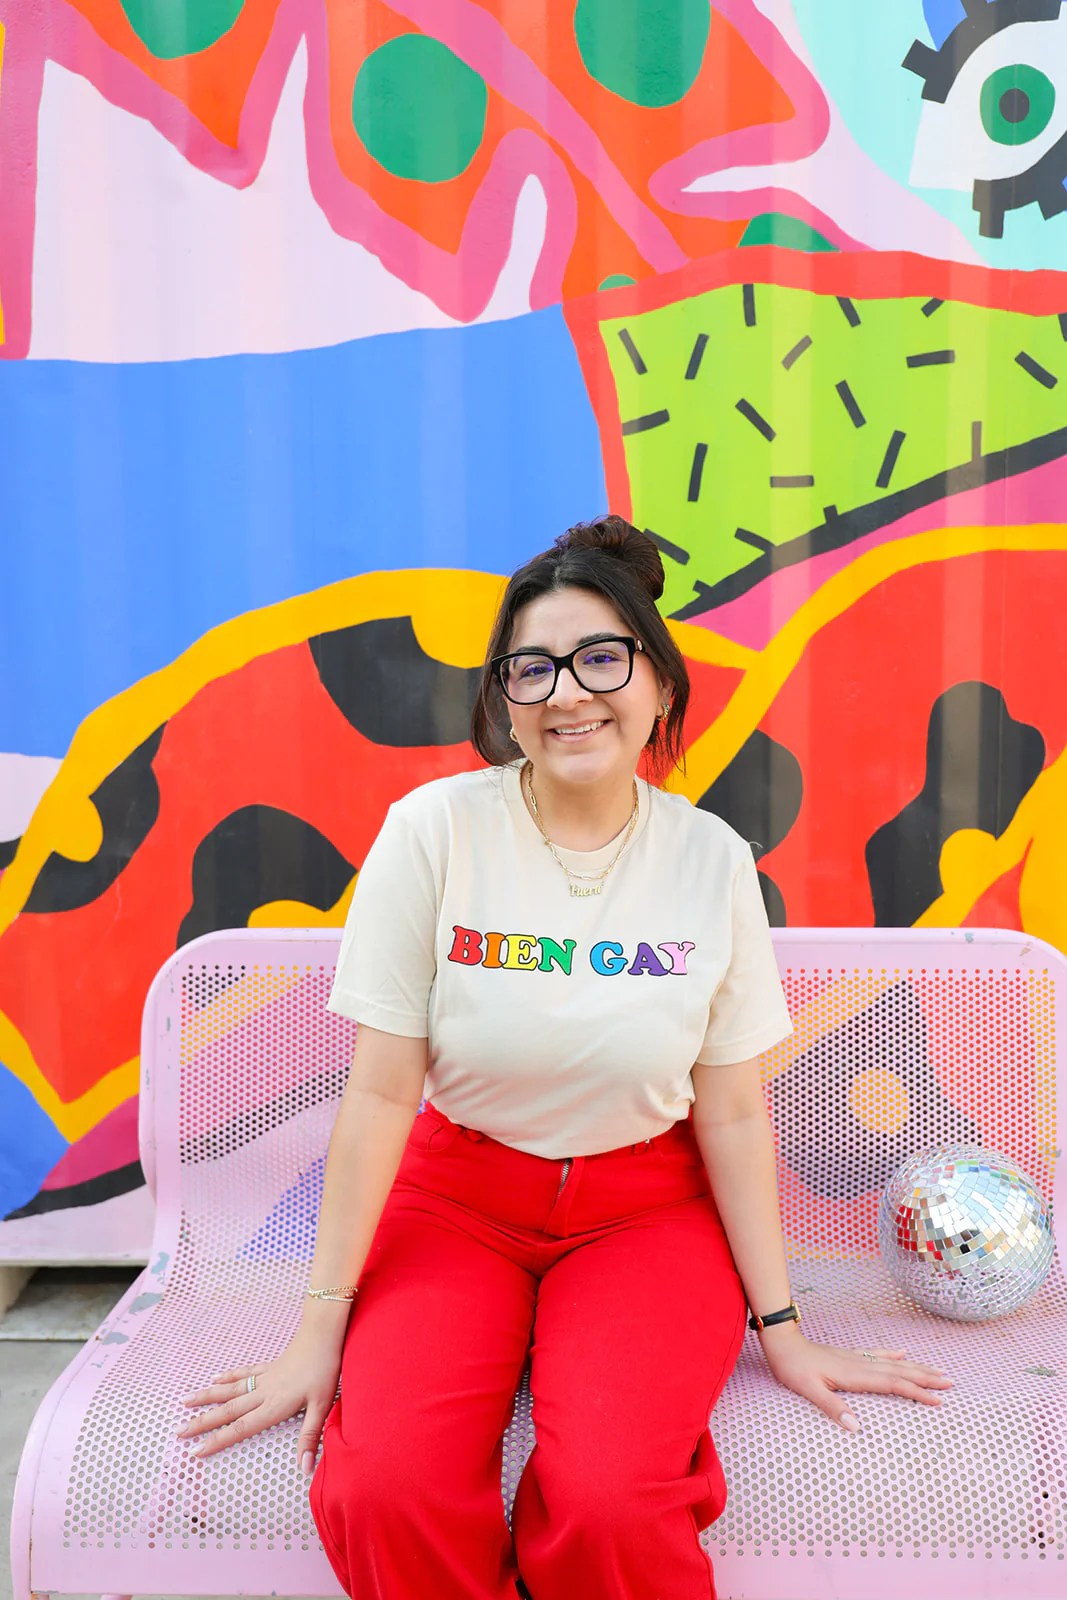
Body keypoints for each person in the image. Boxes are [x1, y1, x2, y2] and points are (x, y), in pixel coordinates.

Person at [177, 516, 952, 1598]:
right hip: (459, 1200)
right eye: (529, 668)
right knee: (382, 1490)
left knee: (611, 1505)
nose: (564, 692)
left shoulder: (707, 857)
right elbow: (380, 1088)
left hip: (648, 1209)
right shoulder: (434, 829)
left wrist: (781, 1327)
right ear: (502, 699)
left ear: (657, 684)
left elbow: (730, 1110)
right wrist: (319, 1328)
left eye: (599, 656)